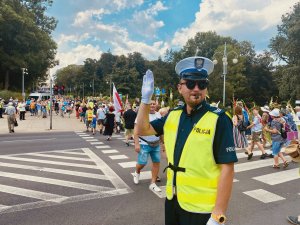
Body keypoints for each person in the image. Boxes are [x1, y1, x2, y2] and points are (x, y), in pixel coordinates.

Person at [135, 57, 238, 225]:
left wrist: (218, 213)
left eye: (202, 84)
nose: (196, 89)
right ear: (180, 88)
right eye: (190, 84)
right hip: (173, 199)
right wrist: (145, 101)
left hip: (202, 209)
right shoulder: (173, 115)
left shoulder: (219, 118)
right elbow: (142, 129)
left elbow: (228, 168)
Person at [132, 100, 162, 193]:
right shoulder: (141, 115)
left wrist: (163, 142)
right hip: (144, 143)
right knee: (142, 163)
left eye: (153, 104)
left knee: (156, 162)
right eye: (150, 104)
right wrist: (136, 144)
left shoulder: (158, 115)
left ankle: (153, 183)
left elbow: (161, 129)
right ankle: (137, 172)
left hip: (156, 143)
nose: (152, 105)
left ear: (156, 105)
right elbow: (136, 130)